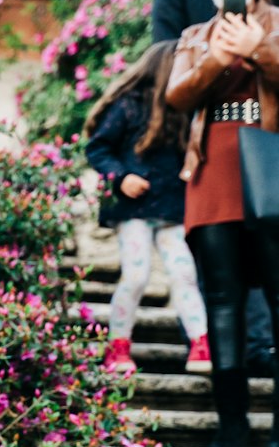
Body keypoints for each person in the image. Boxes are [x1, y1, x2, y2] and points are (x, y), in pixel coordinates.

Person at [153, 0, 277, 377]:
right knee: (221, 299)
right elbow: (177, 95)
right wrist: (218, 58)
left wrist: (261, 48)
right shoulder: (195, 37)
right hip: (213, 170)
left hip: (270, 162)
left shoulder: (276, 24)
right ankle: (230, 425)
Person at [84, 42, 209, 376]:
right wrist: (121, 176)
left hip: (171, 211)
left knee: (184, 272)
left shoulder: (185, 109)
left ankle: (201, 343)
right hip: (134, 210)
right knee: (137, 275)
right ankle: (118, 347)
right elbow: (97, 148)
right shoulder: (129, 105)